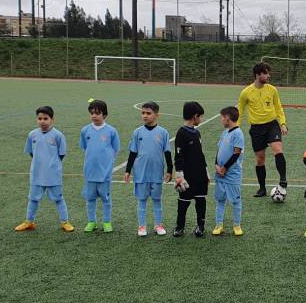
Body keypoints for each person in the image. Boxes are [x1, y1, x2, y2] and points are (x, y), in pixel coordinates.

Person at [15, 105, 74, 232]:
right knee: (33, 198)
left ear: (52, 119)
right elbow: (31, 153)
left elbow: (61, 154)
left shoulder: (58, 135)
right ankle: (29, 221)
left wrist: (52, 164)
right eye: (40, 118)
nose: (42, 121)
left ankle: (65, 222)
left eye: (45, 118)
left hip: (53, 174)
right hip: (37, 173)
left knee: (58, 198)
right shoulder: (32, 135)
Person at [238, 62, 288, 197]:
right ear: (257, 75)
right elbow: (240, 111)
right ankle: (262, 188)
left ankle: (283, 180)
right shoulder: (246, 92)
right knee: (260, 159)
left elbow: (278, 107)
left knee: (277, 149)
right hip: (256, 129)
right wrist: (235, 129)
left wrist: (283, 123)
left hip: (272, 125)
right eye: (266, 73)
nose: (268, 76)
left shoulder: (272, 90)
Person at [123, 101, 172, 237]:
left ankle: (158, 225)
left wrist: (169, 170)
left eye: (148, 113)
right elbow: (133, 153)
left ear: (156, 115)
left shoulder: (163, 132)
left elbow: (167, 152)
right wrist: (128, 170)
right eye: (143, 113)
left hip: (157, 172)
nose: (145, 115)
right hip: (141, 173)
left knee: (157, 199)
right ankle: (142, 226)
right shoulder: (137, 132)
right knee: (142, 200)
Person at [79, 99, 120, 233]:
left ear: (105, 114)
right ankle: (91, 222)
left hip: (104, 173)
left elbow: (115, 149)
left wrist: (107, 164)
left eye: (97, 113)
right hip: (90, 172)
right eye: (92, 113)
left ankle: (107, 222)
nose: (94, 116)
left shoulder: (111, 131)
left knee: (105, 198)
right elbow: (84, 148)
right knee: (90, 199)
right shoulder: (85, 130)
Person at [173, 101, 210, 237]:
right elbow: (178, 156)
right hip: (187, 176)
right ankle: (179, 227)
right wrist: (179, 175)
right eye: (200, 117)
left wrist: (206, 172)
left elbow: (201, 154)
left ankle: (201, 226)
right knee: (183, 202)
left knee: (200, 201)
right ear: (195, 116)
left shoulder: (197, 133)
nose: (201, 119)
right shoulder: (181, 133)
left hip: (200, 174)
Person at [212, 106, 245, 236]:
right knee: (220, 200)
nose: (221, 120)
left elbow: (236, 153)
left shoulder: (238, 133)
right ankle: (219, 225)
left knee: (235, 200)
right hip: (220, 173)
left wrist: (225, 168)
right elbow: (219, 150)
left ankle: (237, 225)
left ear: (227, 118)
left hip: (232, 174)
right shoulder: (225, 132)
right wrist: (216, 164)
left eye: (222, 117)